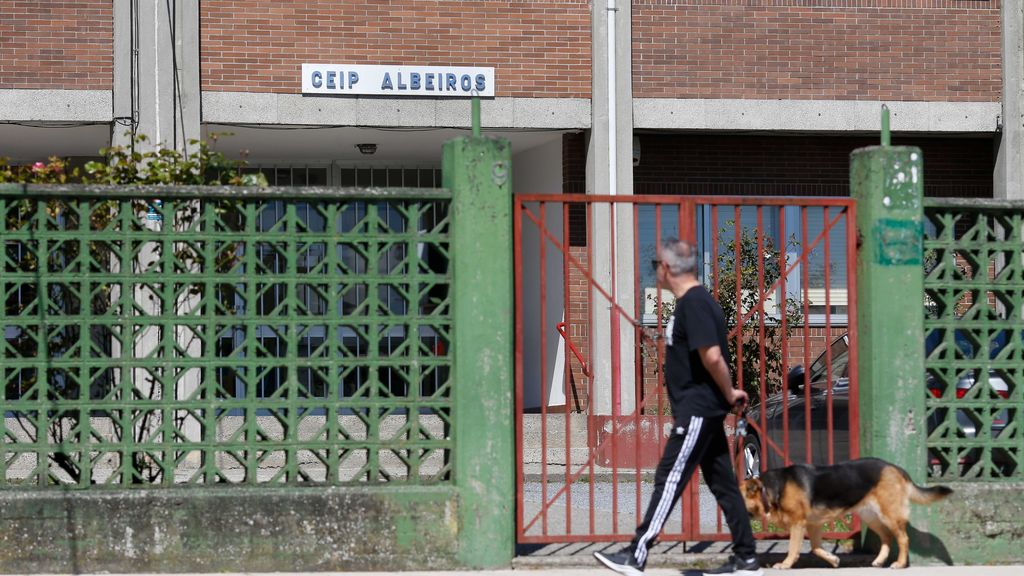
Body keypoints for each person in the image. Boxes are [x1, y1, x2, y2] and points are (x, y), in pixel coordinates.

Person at [593, 237, 762, 576]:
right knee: (724, 485)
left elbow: (712, 356)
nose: (655, 271)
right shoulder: (697, 302)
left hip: (699, 409)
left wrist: (729, 393)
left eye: (656, 265)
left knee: (668, 477)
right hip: (703, 410)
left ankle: (636, 554)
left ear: (667, 268)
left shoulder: (695, 303)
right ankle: (747, 558)